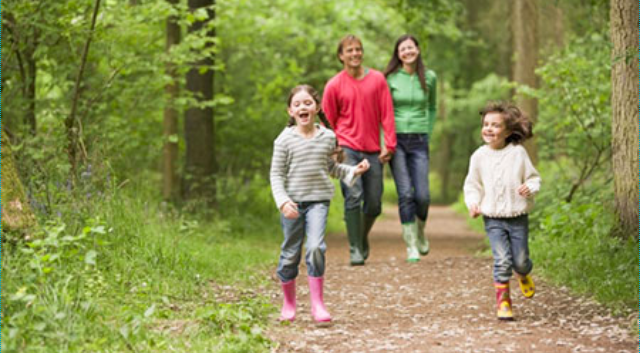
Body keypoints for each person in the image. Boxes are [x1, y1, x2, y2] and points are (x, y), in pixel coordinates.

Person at [270, 84, 370, 323]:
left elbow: (331, 168)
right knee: (290, 254)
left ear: (316, 108)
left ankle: (317, 304)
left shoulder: (327, 136)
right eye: (297, 104)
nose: (303, 107)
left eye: (307, 103)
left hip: (318, 202)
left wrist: (353, 171)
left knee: (315, 247)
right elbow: (276, 175)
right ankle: (289, 303)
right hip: (292, 205)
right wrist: (283, 202)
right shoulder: (283, 140)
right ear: (290, 111)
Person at [322, 34, 397, 266]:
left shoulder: (377, 80)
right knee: (353, 196)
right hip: (347, 148)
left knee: (374, 202)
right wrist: (332, 150)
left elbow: (387, 113)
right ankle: (355, 248)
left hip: (373, 149)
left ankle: (361, 237)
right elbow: (327, 121)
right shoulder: (334, 85)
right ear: (341, 56)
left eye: (358, 49)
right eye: (350, 50)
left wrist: (390, 143)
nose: (355, 53)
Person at [463, 101, 541, 320]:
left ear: (508, 131)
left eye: (495, 125)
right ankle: (504, 302)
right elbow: (473, 185)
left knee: (520, 261)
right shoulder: (479, 156)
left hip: (517, 217)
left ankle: (523, 273)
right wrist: (473, 203)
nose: (489, 128)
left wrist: (530, 188)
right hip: (492, 218)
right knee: (502, 260)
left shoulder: (518, 153)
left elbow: (534, 178)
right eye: (486, 124)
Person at [383, 34, 437, 263]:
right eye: (402, 49)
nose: (407, 52)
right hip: (396, 141)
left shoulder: (430, 77)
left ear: (418, 50)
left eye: (411, 48)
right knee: (405, 193)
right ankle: (411, 244)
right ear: (398, 54)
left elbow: (432, 107)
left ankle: (420, 231)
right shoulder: (391, 79)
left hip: (419, 140)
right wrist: (384, 141)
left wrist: (428, 131)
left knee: (423, 196)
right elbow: (383, 111)